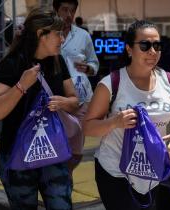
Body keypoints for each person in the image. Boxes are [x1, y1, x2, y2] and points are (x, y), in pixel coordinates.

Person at [83, 20, 170, 210]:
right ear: (129, 49)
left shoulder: (169, 81)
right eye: (145, 45)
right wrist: (114, 122)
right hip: (116, 172)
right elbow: (87, 126)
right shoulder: (111, 84)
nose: (152, 51)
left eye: (157, 45)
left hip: (154, 170)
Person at [0, 8, 78, 210]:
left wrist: (63, 102)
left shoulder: (57, 61)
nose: (62, 39)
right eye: (58, 34)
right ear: (41, 34)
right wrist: (21, 86)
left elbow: (75, 101)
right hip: (17, 154)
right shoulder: (12, 64)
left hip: (53, 152)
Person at [53, 0, 99, 170]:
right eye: (65, 10)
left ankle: (67, 179)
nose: (69, 15)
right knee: (56, 147)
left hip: (81, 99)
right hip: (56, 100)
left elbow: (95, 63)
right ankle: (58, 184)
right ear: (55, 10)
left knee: (76, 151)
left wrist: (89, 68)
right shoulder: (45, 35)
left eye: (72, 11)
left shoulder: (83, 36)